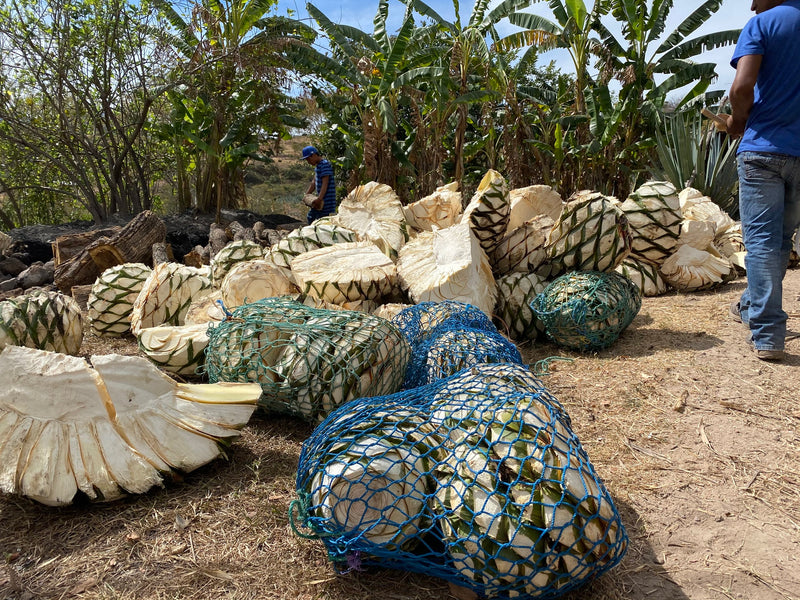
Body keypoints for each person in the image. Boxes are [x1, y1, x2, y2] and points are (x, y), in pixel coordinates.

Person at [726, 0, 800, 361]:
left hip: (763, 151)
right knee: (781, 240)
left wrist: (737, 121)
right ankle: (749, 305)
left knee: (761, 244)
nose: (752, 4)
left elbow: (742, 89)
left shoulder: (764, 24)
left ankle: (768, 334)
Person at [301, 145, 337, 224]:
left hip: (327, 202)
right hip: (320, 200)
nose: (308, 162)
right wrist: (307, 195)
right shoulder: (318, 166)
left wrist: (319, 199)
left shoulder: (325, 165)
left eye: (308, 159)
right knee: (311, 217)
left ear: (313, 155)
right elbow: (314, 182)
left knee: (322, 221)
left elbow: (325, 183)